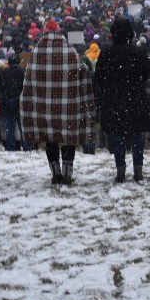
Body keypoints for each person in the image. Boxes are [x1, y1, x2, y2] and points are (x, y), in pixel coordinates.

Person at [21, 20, 96, 185]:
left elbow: (29, 77)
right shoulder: (69, 50)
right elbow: (82, 71)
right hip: (67, 103)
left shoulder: (37, 51)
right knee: (68, 138)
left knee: (50, 138)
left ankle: (55, 173)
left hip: (45, 105)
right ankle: (67, 173)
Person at [94, 17, 150, 183]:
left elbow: (99, 77)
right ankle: (138, 170)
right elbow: (147, 72)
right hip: (135, 98)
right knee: (136, 135)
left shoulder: (106, 53)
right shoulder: (138, 52)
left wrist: (110, 88)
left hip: (114, 100)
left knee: (118, 135)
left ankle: (120, 170)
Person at [0, 55, 30, 151]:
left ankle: (10, 147)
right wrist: (19, 99)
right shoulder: (24, 73)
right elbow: (28, 89)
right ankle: (27, 147)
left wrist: (5, 99)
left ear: (8, 63)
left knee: (9, 127)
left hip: (7, 105)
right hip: (21, 105)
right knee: (23, 127)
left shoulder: (2, 73)